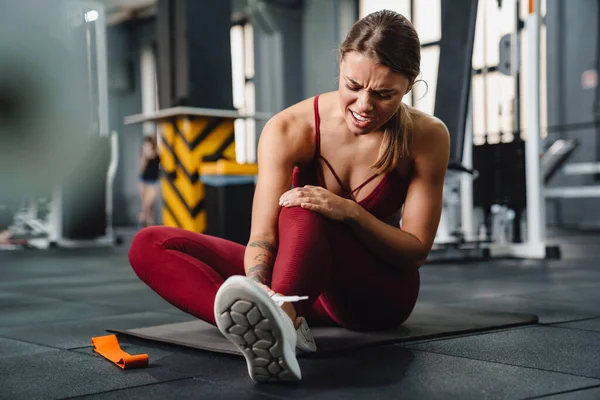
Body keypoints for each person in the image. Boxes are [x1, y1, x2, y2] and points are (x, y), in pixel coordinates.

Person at [129, 10, 449, 383]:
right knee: (149, 243)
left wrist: (349, 212)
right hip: (296, 282)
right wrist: (258, 283)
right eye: (353, 85)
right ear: (341, 63)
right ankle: (275, 318)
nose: (364, 105)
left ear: (408, 87)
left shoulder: (427, 136)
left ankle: (276, 318)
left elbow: (415, 250)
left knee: (304, 206)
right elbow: (263, 237)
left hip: (374, 298)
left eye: (383, 94)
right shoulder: (289, 127)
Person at [138, 136, 160, 227]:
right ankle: (147, 224)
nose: (146, 146)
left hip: (153, 182)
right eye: (145, 145)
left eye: (148, 145)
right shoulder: (143, 154)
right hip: (144, 181)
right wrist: (145, 158)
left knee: (149, 204)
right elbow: (141, 169)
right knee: (145, 205)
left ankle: (148, 221)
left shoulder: (157, 155)